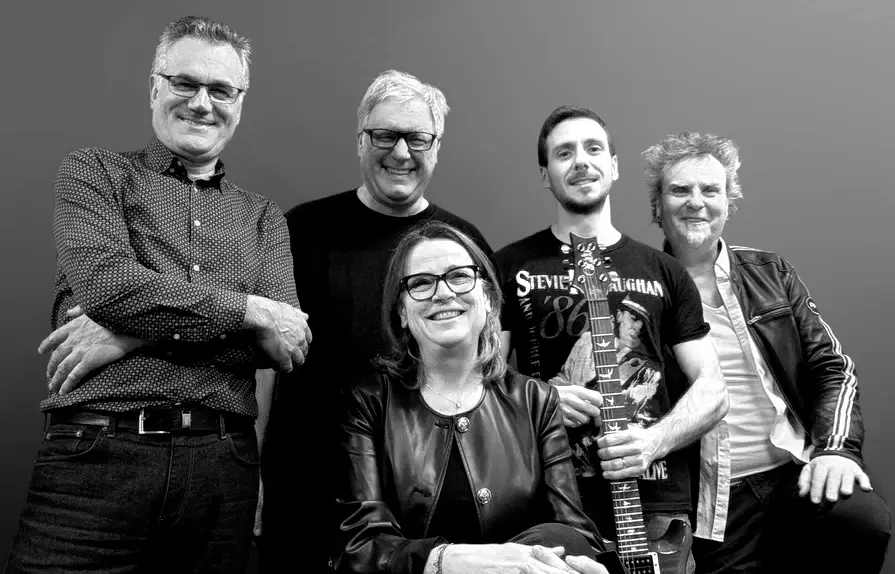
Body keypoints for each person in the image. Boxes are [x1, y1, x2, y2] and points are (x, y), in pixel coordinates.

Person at [5, 16, 310, 574]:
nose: (201, 103)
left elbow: (282, 347)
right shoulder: (95, 172)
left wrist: (126, 333)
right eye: (184, 83)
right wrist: (250, 309)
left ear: (240, 103)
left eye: (221, 90)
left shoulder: (264, 217)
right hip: (97, 457)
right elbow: (108, 284)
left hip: (223, 470)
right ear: (154, 87)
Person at [259, 70, 494, 572]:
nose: (401, 152)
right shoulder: (300, 230)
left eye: (418, 138)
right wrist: (253, 473)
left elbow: (489, 371)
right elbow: (262, 364)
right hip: (304, 486)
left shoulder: (462, 245)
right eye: (385, 135)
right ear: (361, 140)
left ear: (437, 147)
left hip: (423, 497)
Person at [646, 131, 891, 573]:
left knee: (861, 521)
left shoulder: (771, 272)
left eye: (710, 190)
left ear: (728, 202)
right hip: (713, 499)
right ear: (657, 205)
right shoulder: (641, 291)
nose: (696, 202)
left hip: (793, 472)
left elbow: (832, 367)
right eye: (680, 190)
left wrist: (836, 449)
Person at [496, 105, 728, 571]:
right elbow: (480, 378)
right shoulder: (509, 265)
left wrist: (653, 442)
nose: (581, 161)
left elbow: (714, 389)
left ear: (615, 165)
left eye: (593, 149)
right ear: (545, 175)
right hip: (553, 498)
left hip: (657, 505)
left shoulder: (665, 271)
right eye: (564, 153)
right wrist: (539, 398)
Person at [336, 220, 623, 574]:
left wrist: (580, 564)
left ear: (487, 298)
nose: (443, 293)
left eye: (459, 276)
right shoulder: (368, 403)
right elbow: (362, 549)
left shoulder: (536, 400)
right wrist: (464, 561)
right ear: (401, 313)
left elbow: (574, 534)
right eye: (421, 283)